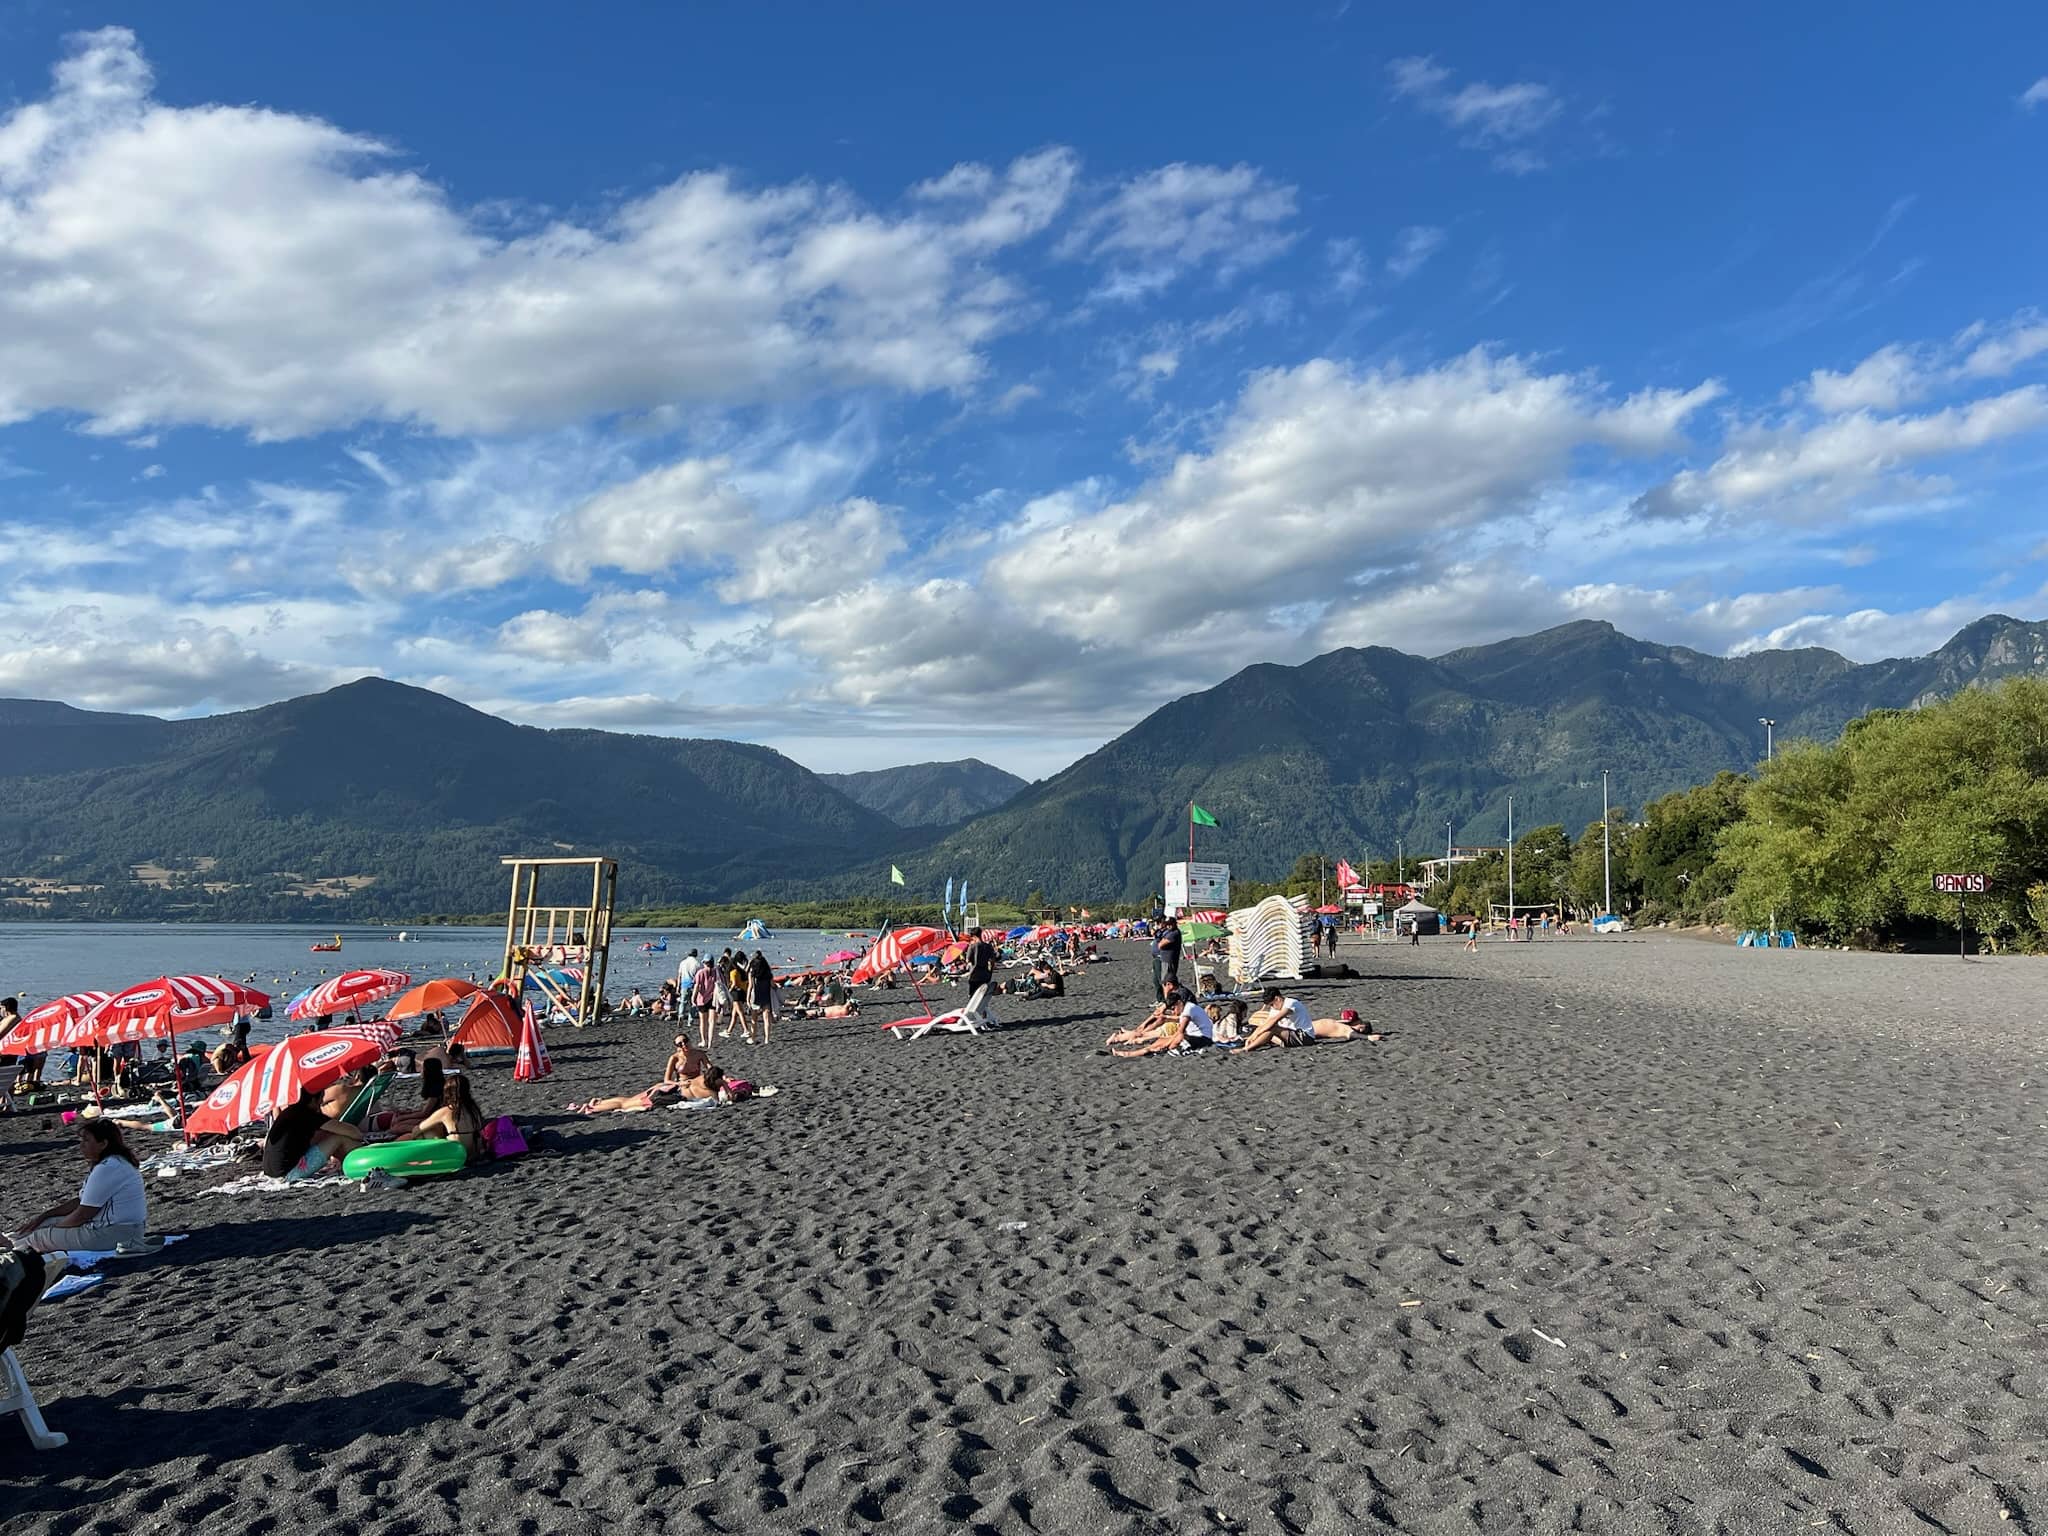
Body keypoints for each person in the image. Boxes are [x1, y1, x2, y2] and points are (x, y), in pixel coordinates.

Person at [7, 1119, 148, 1254]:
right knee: (41, 1225)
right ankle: (9, 1241)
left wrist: (56, 1229)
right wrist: (45, 1216)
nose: (81, 1145)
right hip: (120, 1229)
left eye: (86, 1141)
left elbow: (84, 1213)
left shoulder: (109, 1167)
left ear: (103, 1144)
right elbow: (82, 1201)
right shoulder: (112, 1162)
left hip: (117, 1233)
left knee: (40, 1237)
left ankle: (8, 1251)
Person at [263, 1087, 364, 1180]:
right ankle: (360, 1164)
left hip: (272, 1172)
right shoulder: (308, 1114)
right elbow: (354, 1133)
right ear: (313, 1100)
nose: (321, 1102)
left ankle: (345, 1164)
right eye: (320, 1099)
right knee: (339, 1138)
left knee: (328, 1136)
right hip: (290, 1173)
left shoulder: (290, 1112)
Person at [1112, 986, 1215, 1057]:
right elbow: (1180, 1020)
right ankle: (1134, 1052)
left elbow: (1180, 1032)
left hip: (1203, 1039)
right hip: (1196, 1036)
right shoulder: (1188, 1007)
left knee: (1163, 1043)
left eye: (1174, 1008)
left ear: (1179, 1002)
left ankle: (1129, 1054)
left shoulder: (1188, 1009)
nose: (1174, 1011)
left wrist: (1168, 1045)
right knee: (1160, 1040)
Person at [410, 1073, 487, 1156]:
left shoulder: (447, 1111)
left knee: (426, 1132)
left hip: (457, 1154)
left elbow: (418, 1129)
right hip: (474, 1152)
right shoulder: (474, 1109)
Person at [1239, 988, 1320, 1052]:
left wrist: (1256, 1035)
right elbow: (1266, 1023)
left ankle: (1246, 1049)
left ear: (1277, 999)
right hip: (1291, 1035)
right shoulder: (1275, 1008)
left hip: (1304, 1036)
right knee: (1265, 1030)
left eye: (1272, 1004)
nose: (1272, 1007)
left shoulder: (1291, 1003)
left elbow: (1274, 1020)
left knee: (1272, 1029)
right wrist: (1252, 1036)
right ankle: (1250, 1044)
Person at [747, 951, 775, 1043]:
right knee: (766, 1019)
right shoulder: (768, 973)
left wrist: (747, 998)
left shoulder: (752, 973)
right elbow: (772, 984)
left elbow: (750, 986)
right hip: (765, 995)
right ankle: (767, 1039)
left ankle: (753, 1037)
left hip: (755, 996)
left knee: (754, 1019)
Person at [1153, 916, 1183, 993]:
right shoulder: (1169, 932)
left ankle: (1168, 999)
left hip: (1169, 960)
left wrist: (1161, 940)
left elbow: (1160, 945)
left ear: (1174, 924)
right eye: (1167, 924)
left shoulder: (1174, 933)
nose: (1168, 926)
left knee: (1167, 981)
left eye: (1170, 924)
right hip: (1166, 959)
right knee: (1166, 981)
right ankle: (1169, 998)